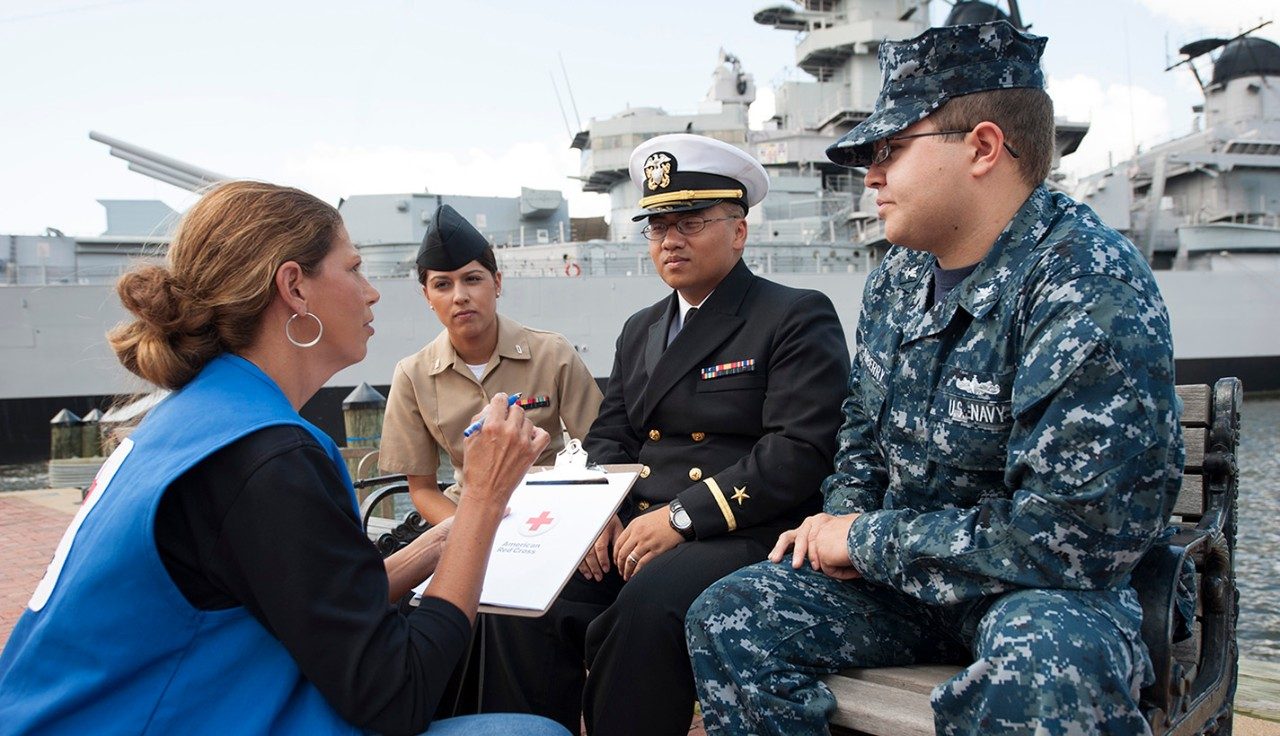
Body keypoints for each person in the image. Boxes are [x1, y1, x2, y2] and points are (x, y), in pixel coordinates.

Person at [685, 21, 1184, 736]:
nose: (872, 175)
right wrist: (837, 524)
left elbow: (1076, 538)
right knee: (730, 614)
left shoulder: (1086, 284)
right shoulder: (898, 279)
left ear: (982, 147)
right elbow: (860, 436)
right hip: (905, 585)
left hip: (1042, 592)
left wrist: (864, 540)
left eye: (891, 149)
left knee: (1046, 664)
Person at [0, 181, 568, 736]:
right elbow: (398, 695)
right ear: (294, 287)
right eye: (352, 269)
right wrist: (483, 501)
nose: (370, 293)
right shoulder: (268, 458)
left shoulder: (198, 423)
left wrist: (436, 545)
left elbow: (303, 597)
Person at [483, 133, 851, 735]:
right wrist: (600, 514)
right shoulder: (642, 328)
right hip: (638, 527)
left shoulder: (792, 315)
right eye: (657, 227)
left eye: (690, 222)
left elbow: (797, 453)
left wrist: (681, 518)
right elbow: (610, 435)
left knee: (650, 607)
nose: (670, 240)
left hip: (744, 530)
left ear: (739, 229)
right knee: (526, 598)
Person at [379, 204, 602, 525]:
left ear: (497, 282)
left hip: (553, 510)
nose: (459, 296)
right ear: (426, 295)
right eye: (442, 284)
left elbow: (597, 451)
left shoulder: (553, 353)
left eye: (472, 279)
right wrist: (469, 535)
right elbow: (423, 489)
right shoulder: (413, 376)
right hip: (462, 516)